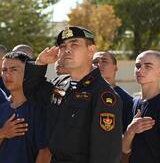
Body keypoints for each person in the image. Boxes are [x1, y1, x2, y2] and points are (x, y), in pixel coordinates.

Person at [23, 26, 122, 163]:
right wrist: (40, 63)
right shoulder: (61, 84)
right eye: (63, 46)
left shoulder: (103, 95)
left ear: (91, 50)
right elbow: (32, 91)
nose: (67, 50)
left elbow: (105, 152)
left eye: (74, 44)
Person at [0, 51, 51, 163]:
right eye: (4, 70)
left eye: (14, 70)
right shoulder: (2, 108)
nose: (7, 75)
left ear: (27, 73)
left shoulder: (38, 107)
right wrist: (2, 133)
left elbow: (45, 152)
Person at [122, 50, 160, 163]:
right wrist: (131, 130)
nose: (140, 70)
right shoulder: (133, 102)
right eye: (138, 66)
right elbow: (124, 149)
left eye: (148, 66)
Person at [93, 51, 133, 133]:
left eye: (104, 61)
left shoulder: (126, 100)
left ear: (115, 68)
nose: (99, 65)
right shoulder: (83, 95)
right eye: (95, 62)